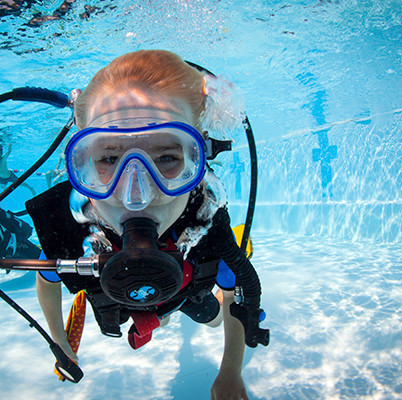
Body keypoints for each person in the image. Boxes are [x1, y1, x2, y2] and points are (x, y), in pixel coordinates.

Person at [25, 50, 267, 399]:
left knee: (213, 318)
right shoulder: (65, 225)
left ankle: (165, 314)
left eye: (167, 158)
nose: (135, 193)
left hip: (186, 294)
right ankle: (158, 317)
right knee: (158, 313)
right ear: (82, 164)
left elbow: (235, 298)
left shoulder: (207, 220)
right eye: (109, 158)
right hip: (123, 303)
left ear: (198, 161)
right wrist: (58, 341)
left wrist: (230, 371)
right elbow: (46, 277)